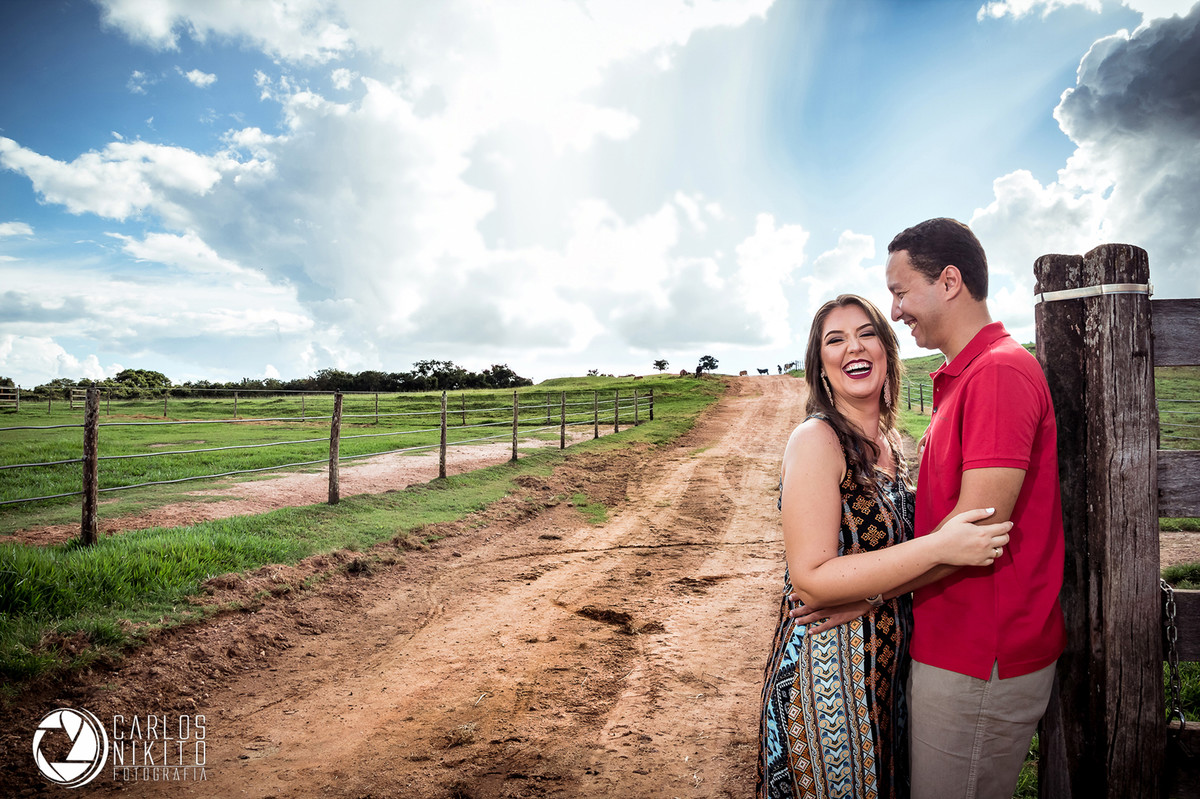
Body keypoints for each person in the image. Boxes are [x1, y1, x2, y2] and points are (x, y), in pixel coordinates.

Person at [794, 219, 1067, 799]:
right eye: (835, 340)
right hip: (948, 649)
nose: (896, 312)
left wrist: (872, 594)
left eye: (899, 293)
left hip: (980, 652)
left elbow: (974, 535)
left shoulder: (996, 373)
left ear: (948, 282)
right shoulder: (965, 378)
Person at [757, 293, 1012, 799]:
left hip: (888, 677)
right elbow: (811, 576)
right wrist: (943, 547)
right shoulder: (816, 440)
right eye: (836, 339)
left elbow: (884, 566)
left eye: (866, 333)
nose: (854, 346)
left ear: (887, 351)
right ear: (822, 368)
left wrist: (874, 596)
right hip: (829, 680)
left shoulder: (891, 445)